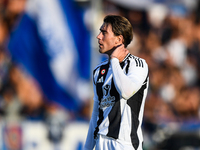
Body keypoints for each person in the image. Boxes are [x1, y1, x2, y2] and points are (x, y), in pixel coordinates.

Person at [83, 15, 149, 150]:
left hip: (125, 144)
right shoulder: (99, 71)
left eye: (104, 32)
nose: (98, 36)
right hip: (102, 142)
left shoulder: (137, 65)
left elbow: (126, 92)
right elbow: (96, 114)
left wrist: (114, 61)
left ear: (119, 39)